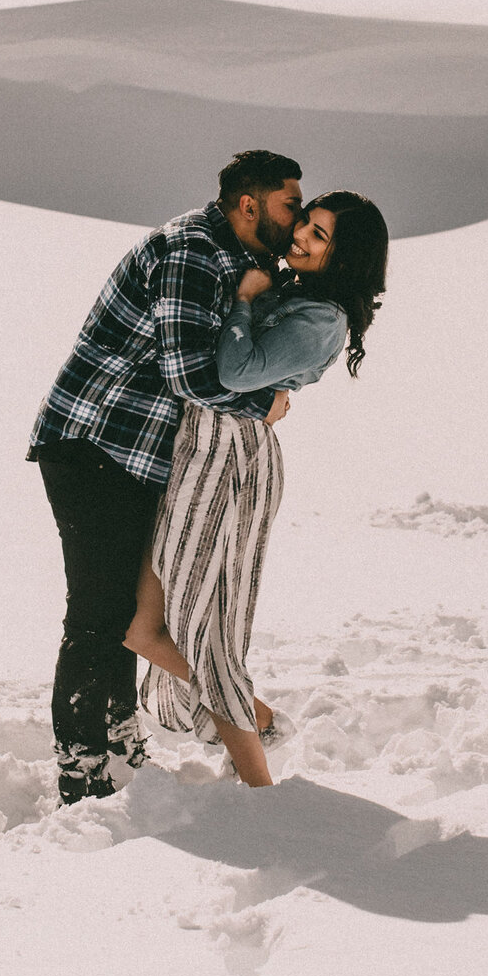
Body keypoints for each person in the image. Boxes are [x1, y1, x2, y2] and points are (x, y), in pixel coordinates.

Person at [27, 151, 305, 804]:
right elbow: (189, 372)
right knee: (96, 613)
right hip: (91, 442)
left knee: (124, 606)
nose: (296, 215)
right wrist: (264, 404)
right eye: (289, 202)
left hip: (141, 454)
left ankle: (120, 739)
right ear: (249, 204)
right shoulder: (191, 252)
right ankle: (81, 768)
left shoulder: (240, 262)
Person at [123, 190, 389, 787]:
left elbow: (236, 372)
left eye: (320, 236)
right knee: (140, 624)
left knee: (204, 627)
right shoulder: (294, 291)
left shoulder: (324, 319)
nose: (301, 237)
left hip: (233, 463)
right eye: (306, 224)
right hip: (199, 451)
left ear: (344, 257)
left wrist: (244, 303)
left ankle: (261, 790)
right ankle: (260, 718)